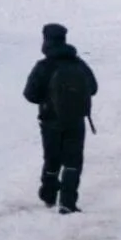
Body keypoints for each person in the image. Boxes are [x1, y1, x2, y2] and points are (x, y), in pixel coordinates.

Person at [22, 23, 100, 214]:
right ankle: (68, 201)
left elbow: (30, 94)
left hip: (50, 121)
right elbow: (93, 87)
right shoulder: (78, 63)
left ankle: (48, 194)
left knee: (52, 159)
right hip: (75, 121)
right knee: (73, 162)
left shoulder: (43, 66)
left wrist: (48, 99)